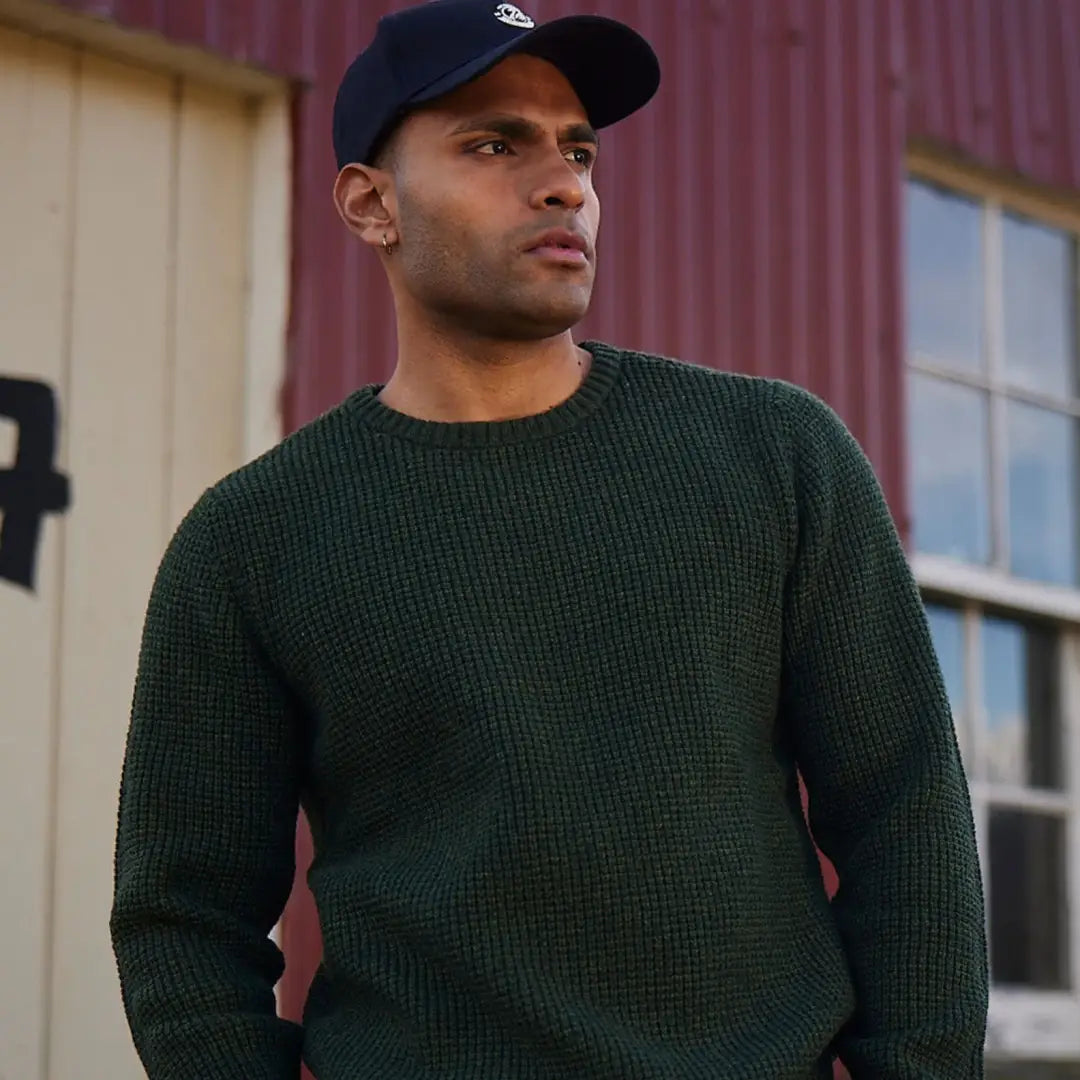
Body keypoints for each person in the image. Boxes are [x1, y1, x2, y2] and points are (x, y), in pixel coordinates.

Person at [110, 2, 989, 1077]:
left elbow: (907, 818)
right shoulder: (253, 540)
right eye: (494, 144)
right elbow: (183, 915)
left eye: (578, 149)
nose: (564, 182)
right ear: (370, 204)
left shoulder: (776, 455)